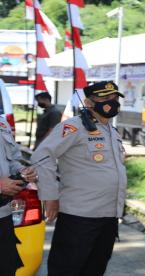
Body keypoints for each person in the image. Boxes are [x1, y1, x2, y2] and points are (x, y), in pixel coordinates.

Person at [31, 81, 127, 276]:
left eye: (115, 98)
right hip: (79, 217)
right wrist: (50, 195)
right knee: (67, 269)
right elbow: (42, 156)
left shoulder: (112, 131)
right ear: (89, 102)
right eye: (105, 98)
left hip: (108, 216)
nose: (112, 102)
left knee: (95, 269)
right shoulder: (73, 127)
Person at [0, 116, 37, 275]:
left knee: (7, 268)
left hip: (3, 214)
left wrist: (22, 171)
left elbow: (12, 159)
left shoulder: (2, 122)